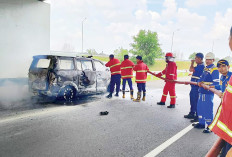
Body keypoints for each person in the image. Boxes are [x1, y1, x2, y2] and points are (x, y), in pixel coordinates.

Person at [206, 26, 232, 157]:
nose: (221, 68)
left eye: (223, 66)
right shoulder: (223, 77)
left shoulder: (230, 75)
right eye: (219, 66)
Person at [194, 52, 219, 133]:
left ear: (213, 60)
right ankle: (201, 123)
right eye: (206, 59)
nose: (207, 61)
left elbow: (216, 83)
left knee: (207, 109)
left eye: (209, 59)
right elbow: (201, 78)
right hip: (201, 91)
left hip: (208, 93)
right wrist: (199, 82)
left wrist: (206, 85)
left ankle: (210, 126)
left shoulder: (214, 69)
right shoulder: (206, 68)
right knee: (200, 108)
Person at [184, 53, 205, 119]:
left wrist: (192, 63)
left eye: (196, 58)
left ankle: (197, 115)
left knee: (196, 100)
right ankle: (192, 113)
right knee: (192, 99)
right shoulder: (198, 65)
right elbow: (191, 70)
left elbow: (191, 69)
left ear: (199, 58)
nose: (195, 59)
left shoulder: (201, 66)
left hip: (197, 87)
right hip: (193, 85)